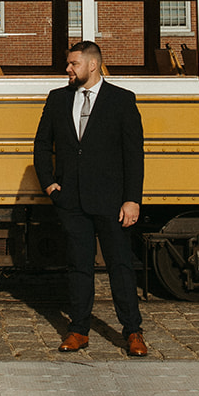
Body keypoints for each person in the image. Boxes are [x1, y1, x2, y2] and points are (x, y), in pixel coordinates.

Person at [33, 40, 147, 357]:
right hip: (71, 201)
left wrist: (132, 199)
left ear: (92, 65)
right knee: (78, 268)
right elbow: (42, 145)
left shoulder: (121, 100)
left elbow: (133, 155)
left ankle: (133, 332)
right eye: (69, 64)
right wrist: (50, 185)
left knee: (120, 267)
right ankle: (79, 330)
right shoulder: (58, 99)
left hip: (112, 202)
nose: (68, 69)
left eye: (73, 64)